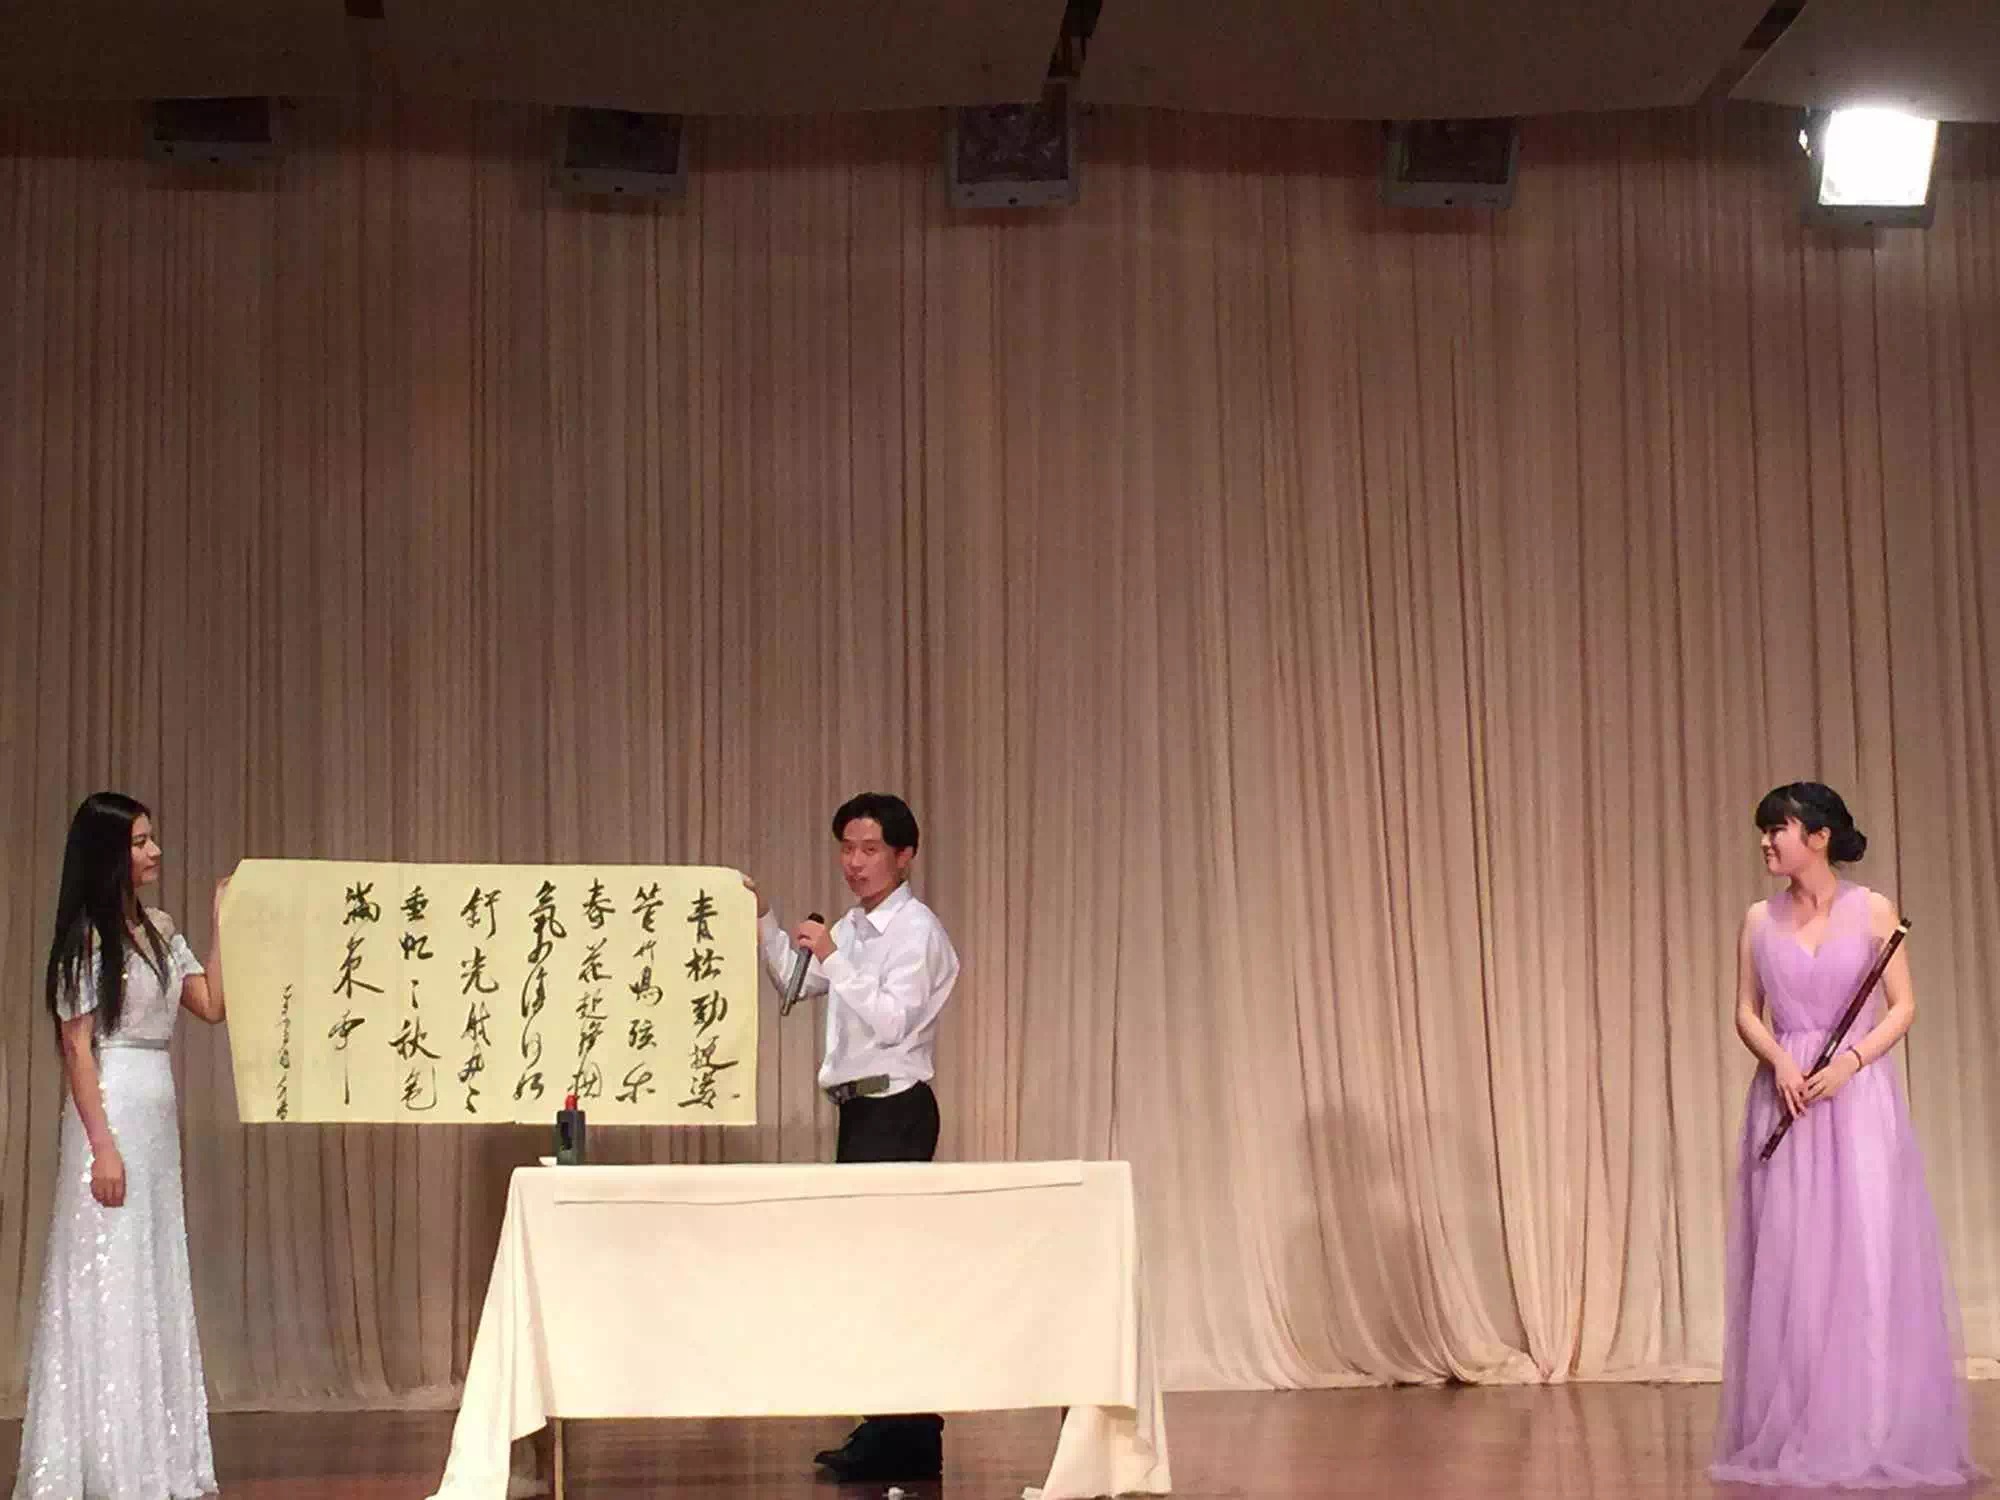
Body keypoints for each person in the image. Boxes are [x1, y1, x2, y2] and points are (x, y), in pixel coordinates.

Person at [1710, 782, 1981, 1488]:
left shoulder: (1874, 910)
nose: (1766, 841)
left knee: (1861, 1257)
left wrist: (1852, 1061)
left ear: (1820, 835)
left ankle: (1865, 1424)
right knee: (1791, 1264)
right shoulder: (1757, 918)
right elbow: (1745, 1010)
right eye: (1765, 830)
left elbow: (1903, 1006)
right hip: (1786, 1096)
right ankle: (1795, 1424)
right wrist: (1780, 1060)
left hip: (1856, 1098)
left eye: (1778, 829)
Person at [13, 793, 231, 1500]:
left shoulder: (160, 929)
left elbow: (212, 1004)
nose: (153, 851)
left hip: (156, 1115)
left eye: (151, 838)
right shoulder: (85, 939)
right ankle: (106, 1458)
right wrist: (101, 1146)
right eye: (139, 842)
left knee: (151, 1269)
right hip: (109, 1111)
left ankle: (154, 1453)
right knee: (107, 1273)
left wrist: (223, 921)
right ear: (110, 853)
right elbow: (76, 1049)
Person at [746, 792, 960, 1483]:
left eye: (870, 849)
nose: (855, 863)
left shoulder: (916, 932)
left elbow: (894, 1020)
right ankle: (888, 1424)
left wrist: (837, 957)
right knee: (869, 1272)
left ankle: (909, 1434)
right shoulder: (855, 927)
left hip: (896, 1109)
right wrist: (764, 921)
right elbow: (793, 981)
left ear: (904, 856)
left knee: (890, 1272)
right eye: (846, 848)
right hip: (860, 1112)